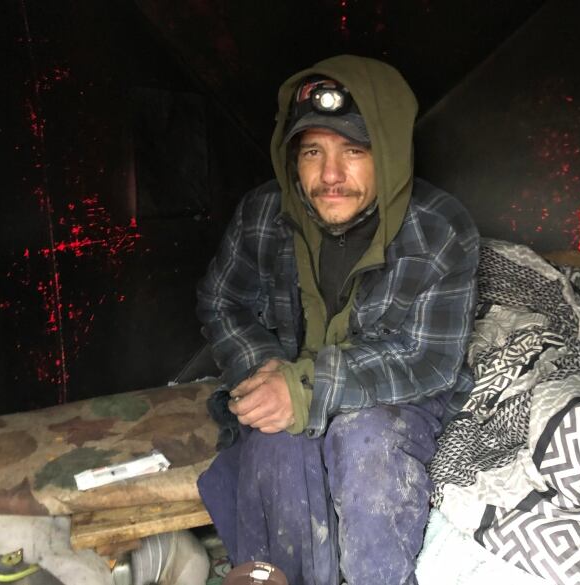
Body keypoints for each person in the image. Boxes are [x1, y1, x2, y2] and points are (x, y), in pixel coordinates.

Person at [196, 55, 479, 585]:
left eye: (354, 151)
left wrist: (306, 388)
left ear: (389, 155)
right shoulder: (264, 214)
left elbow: (429, 357)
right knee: (274, 439)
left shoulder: (439, 229)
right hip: (289, 374)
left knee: (366, 438)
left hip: (396, 398)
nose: (330, 175)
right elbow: (222, 301)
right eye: (312, 152)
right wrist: (269, 372)